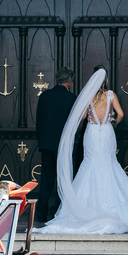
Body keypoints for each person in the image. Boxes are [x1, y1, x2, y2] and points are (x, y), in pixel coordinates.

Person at [39, 67, 128, 234]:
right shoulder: (111, 95)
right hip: (106, 132)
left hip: (92, 133)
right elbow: (120, 113)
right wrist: (112, 122)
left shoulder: (88, 96)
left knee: (89, 165)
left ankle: (75, 208)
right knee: (110, 164)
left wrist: (77, 132)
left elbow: (83, 117)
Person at [33, 68, 75, 226]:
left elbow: (39, 120)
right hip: (63, 145)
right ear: (69, 80)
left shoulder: (44, 95)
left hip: (47, 144)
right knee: (62, 179)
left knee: (46, 179)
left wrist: (41, 140)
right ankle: (58, 211)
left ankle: (41, 212)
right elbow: (73, 123)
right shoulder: (70, 98)